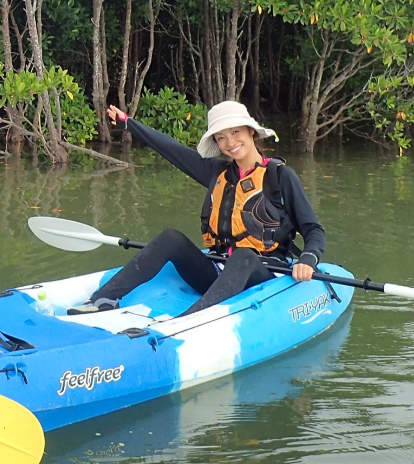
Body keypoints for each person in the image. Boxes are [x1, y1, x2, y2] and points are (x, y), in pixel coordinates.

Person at [68, 101, 325, 316]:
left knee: (244, 256)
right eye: (221, 137)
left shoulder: (281, 176)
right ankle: (101, 300)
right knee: (171, 237)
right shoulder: (217, 172)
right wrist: (129, 124)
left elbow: (313, 230)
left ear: (251, 132)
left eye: (235, 133)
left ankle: (189, 320)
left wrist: (308, 258)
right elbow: (173, 150)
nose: (230, 142)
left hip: (262, 274)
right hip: (217, 270)